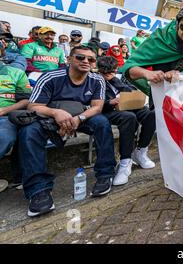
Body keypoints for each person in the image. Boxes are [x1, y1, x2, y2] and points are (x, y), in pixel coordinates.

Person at [18, 45, 116, 217]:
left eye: (91, 59)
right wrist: (56, 113)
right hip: (50, 116)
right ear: (69, 59)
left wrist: (79, 119)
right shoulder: (50, 77)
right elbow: (33, 106)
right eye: (80, 57)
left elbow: (97, 107)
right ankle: (38, 191)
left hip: (81, 116)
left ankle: (105, 175)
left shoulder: (96, 79)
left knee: (102, 123)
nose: (86, 61)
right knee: (29, 132)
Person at [97, 56, 156, 186]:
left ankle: (141, 151)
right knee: (129, 117)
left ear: (115, 70)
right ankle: (125, 160)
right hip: (107, 110)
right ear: (99, 70)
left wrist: (129, 96)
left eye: (111, 72)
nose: (107, 75)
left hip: (125, 107)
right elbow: (92, 102)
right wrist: (109, 102)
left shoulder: (118, 79)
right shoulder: (95, 80)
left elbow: (130, 91)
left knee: (151, 114)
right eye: (104, 73)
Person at [0, 36, 32, 193]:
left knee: (5, 137)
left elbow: (26, 100)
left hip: (5, 117)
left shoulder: (16, 73)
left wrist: (3, 111)